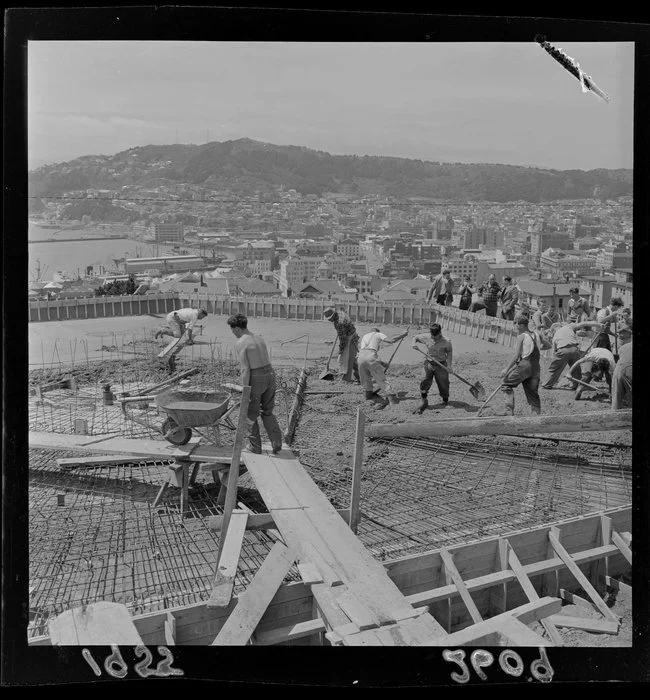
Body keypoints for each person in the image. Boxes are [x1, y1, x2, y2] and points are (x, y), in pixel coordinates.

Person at [227, 313, 283, 454]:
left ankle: (255, 447)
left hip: (257, 377)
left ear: (237, 328)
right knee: (268, 411)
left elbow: (245, 369)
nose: (232, 333)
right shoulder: (259, 338)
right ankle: (276, 442)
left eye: (232, 330)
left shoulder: (241, 343)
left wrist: (246, 390)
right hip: (270, 374)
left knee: (250, 413)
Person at [499, 314, 552, 416]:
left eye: (516, 324)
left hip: (525, 366)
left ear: (521, 325)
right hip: (536, 369)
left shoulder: (521, 336)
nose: (515, 326)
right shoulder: (537, 335)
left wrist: (506, 369)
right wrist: (540, 348)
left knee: (506, 384)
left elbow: (516, 356)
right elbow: (548, 345)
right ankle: (535, 416)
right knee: (533, 394)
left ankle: (509, 411)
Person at [541, 320, 604, 390]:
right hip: (574, 349)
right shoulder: (569, 327)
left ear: (554, 330)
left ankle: (547, 384)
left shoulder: (555, 336)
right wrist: (598, 324)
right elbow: (584, 323)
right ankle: (577, 385)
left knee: (555, 368)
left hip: (562, 349)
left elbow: (555, 352)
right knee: (576, 368)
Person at [358, 327, 408, 406]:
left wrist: (382, 363)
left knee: (365, 378)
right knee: (381, 379)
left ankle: (368, 395)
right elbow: (390, 340)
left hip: (360, 357)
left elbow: (367, 354)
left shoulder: (365, 336)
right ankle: (392, 399)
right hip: (370, 356)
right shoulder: (378, 334)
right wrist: (402, 335)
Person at [412, 323, 453, 413]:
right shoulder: (426, 336)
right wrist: (413, 344)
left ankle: (445, 400)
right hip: (429, 362)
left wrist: (449, 366)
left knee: (443, 382)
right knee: (425, 379)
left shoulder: (446, 341)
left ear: (440, 333)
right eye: (432, 336)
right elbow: (415, 337)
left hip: (441, 364)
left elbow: (449, 352)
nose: (433, 338)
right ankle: (424, 399)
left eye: (436, 336)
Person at [323, 307, 361, 383]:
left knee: (348, 359)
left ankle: (346, 379)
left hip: (350, 338)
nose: (329, 320)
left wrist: (341, 349)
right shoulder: (340, 312)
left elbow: (343, 340)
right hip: (353, 335)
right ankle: (361, 376)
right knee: (352, 359)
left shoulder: (339, 323)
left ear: (333, 315)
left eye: (330, 318)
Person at [611, 322, 632, 410]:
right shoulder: (624, 346)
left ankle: (615, 415)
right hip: (628, 369)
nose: (620, 338)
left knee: (616, 397)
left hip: (619, 370)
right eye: (620, 336)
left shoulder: (622, 347)